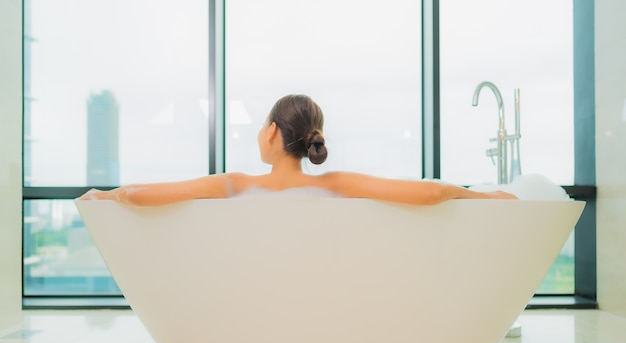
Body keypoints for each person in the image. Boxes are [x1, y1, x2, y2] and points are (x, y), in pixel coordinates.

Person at [79, 94, 517, 206]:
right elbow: (432, 193)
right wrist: (485, 196)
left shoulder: (235, 185)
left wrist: (107, 195)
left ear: (271, 132)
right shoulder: (336, 185)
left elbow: (138, 196)